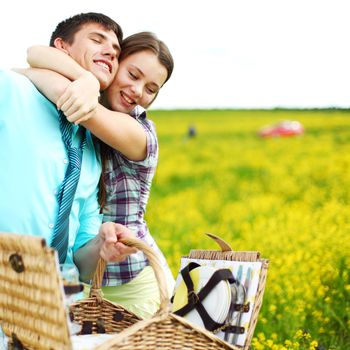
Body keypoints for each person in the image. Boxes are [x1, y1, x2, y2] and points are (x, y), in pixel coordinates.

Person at [19, 31, 175, 318]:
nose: (138, 91)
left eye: (151, 88)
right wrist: (89, 79)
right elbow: (36, 51)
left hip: (133, 285)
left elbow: (71, 98)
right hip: (89, 280)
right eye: (133, 74)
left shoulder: (139, 134)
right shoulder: (88, 134)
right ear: (113, 65)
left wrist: (25, 74)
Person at [0, 12, 137, 286]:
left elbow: (81, 266)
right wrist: (83, 79)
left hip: (49, 304)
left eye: (115, 51)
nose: (110, 52)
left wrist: (102, 245)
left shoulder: (92, 148)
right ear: (61, 48)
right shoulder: (12, 90)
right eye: (97, 40)